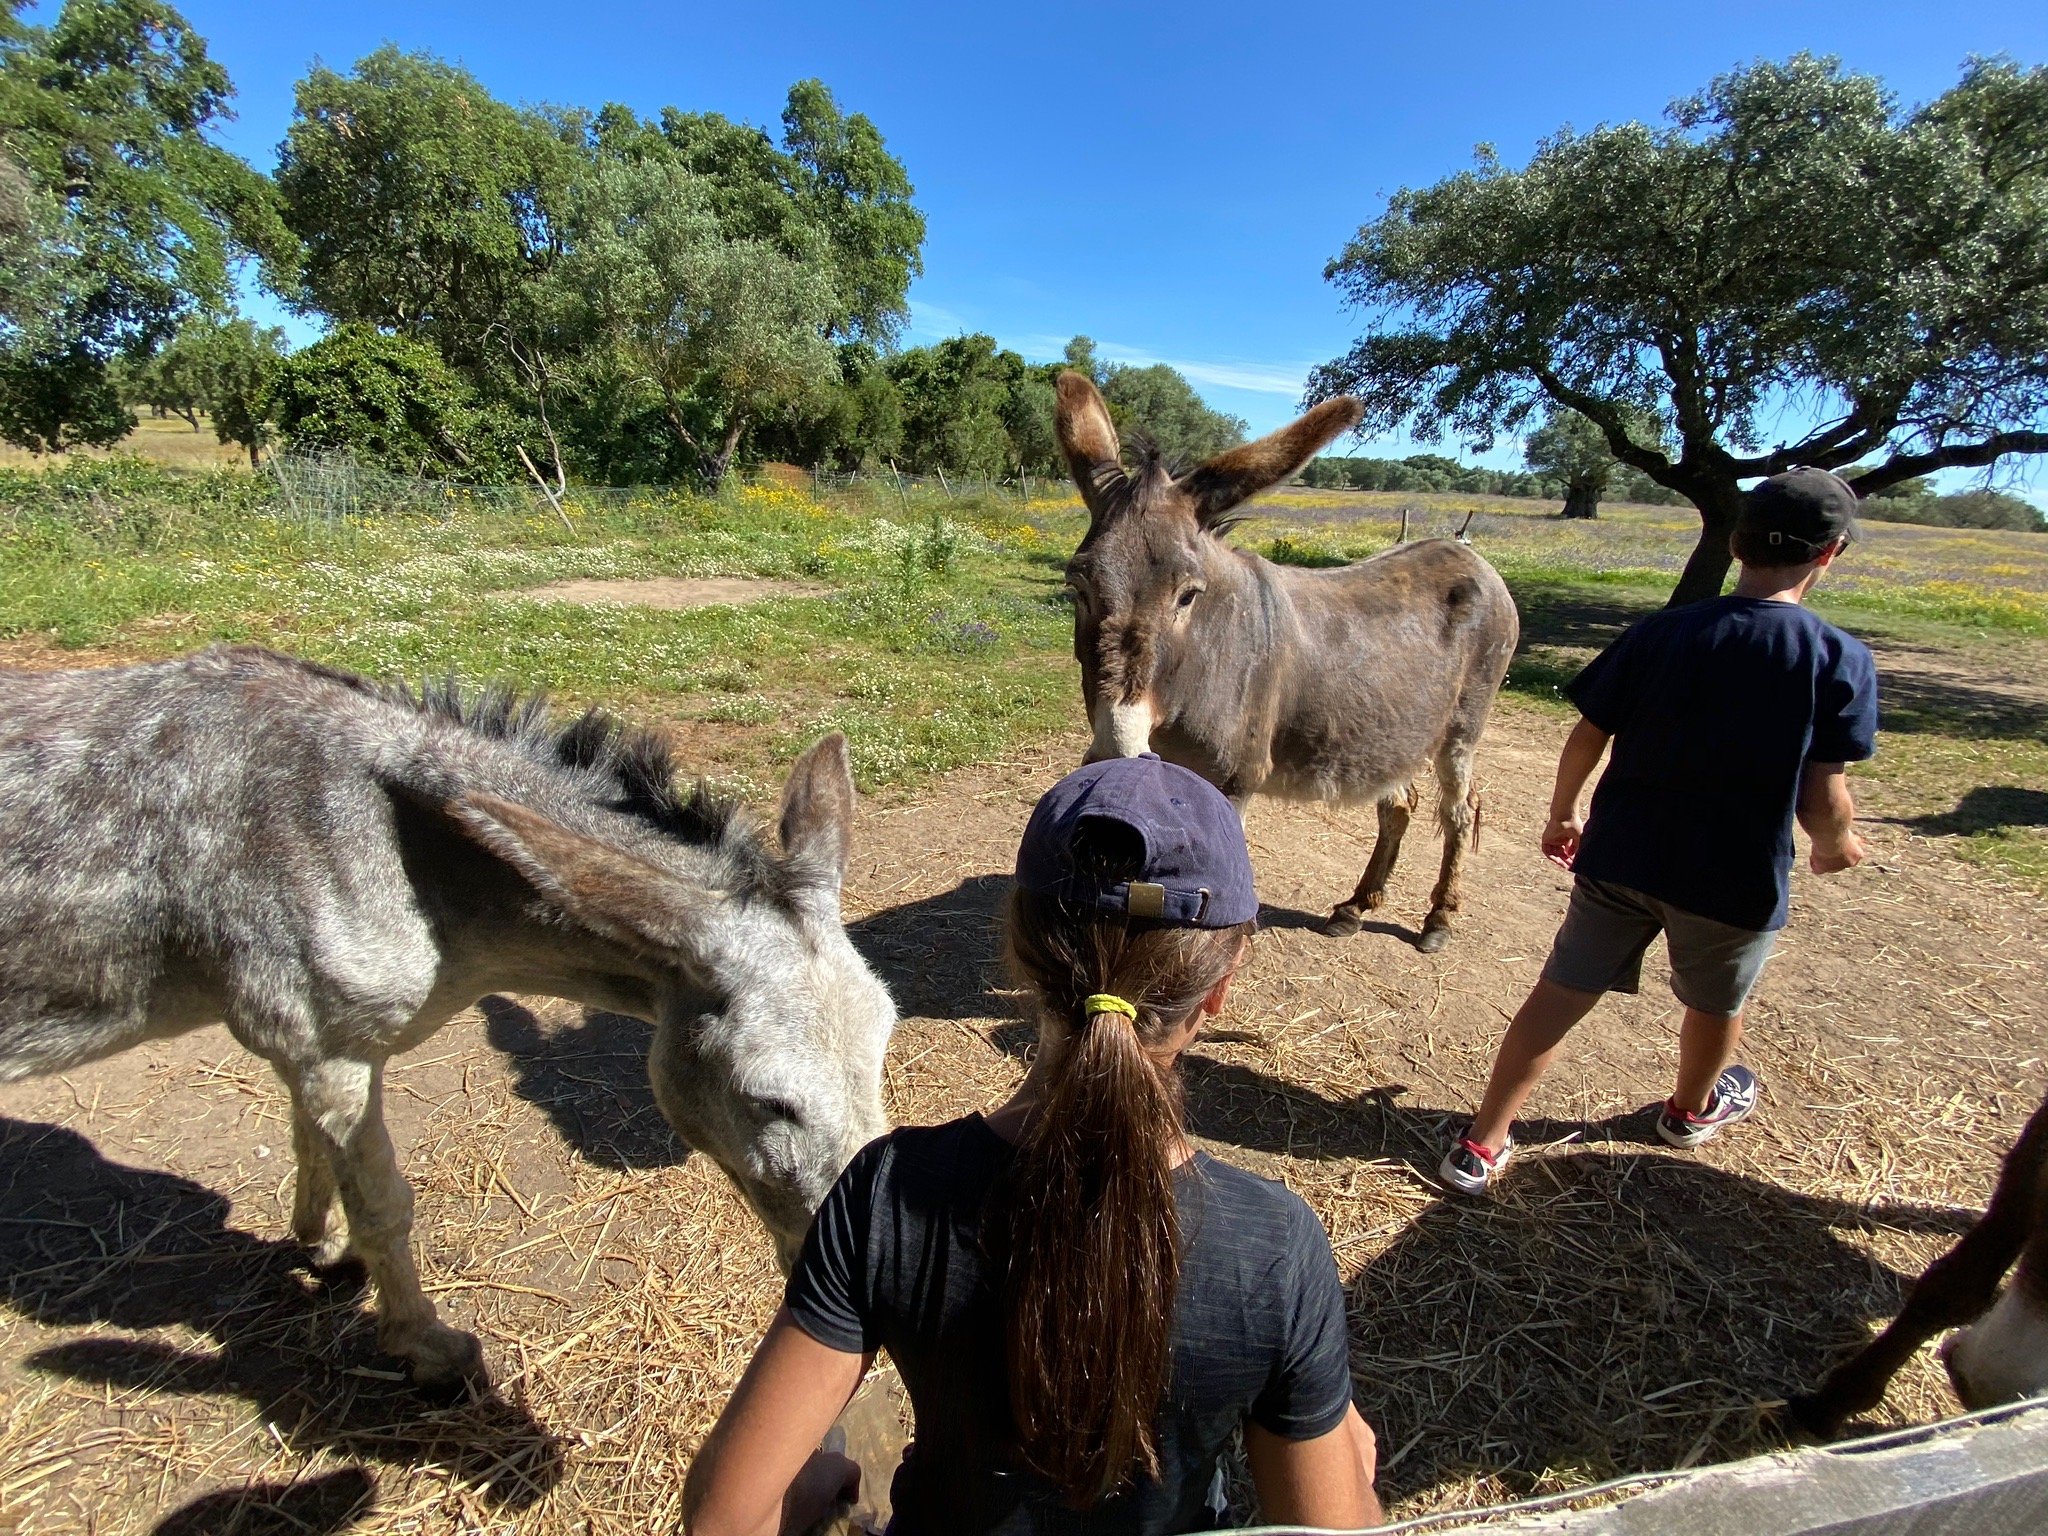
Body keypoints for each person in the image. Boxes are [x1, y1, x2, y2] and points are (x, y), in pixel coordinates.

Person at [682, 754, 1382, 1536]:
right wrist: (1352, 1460)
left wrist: (813, 1487)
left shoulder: (889, 1190)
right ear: (1221, 985)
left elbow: (722, 1518)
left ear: (1018, 952)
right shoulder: (1277, 1249)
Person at [1439, 467, 1879, 1197]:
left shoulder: (1663, 632)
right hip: (1732, 882)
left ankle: (1482, 1143)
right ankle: (1688, 1111)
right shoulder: (1838, 660)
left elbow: (1587, 735)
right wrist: (1837, 844)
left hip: (1621, 858)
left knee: (1559, 992)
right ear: (1830, 553)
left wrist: (1564, 812)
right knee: (1715, 1007)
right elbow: (1822, 792)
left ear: (1735, 542)